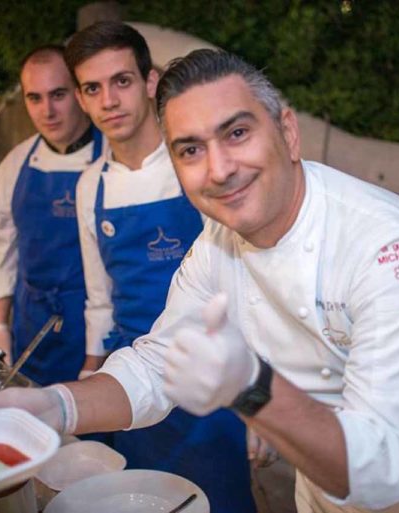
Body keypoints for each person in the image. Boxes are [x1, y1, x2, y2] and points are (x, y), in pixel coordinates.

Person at [0, 49, 399, 512]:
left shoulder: (387, 249)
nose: (220, 169)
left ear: (288, 132)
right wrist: (59, 407)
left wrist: (250, 387)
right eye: (191, 150)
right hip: (322, 490)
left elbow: (385, 468)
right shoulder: (218, 246)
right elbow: (156, 363)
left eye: (238, 133)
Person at [65, 22, 255, 512]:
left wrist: (261, 406)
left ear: (150, 83)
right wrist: (91, 375)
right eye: (93, 87)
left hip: (212, 384)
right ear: (82, 100)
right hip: (134, 381)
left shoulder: (196, 166)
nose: (109, 100)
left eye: (122, 81)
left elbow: (248, 281)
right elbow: (99, 297)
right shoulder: (91, 187)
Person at [0, 45, 104, 385]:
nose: (47, 111)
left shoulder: (111, 157)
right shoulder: (15, 164)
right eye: (34, 98)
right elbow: (0, 253)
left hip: (96, 332)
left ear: (80, 94)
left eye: (58, 95)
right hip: (31, 326)